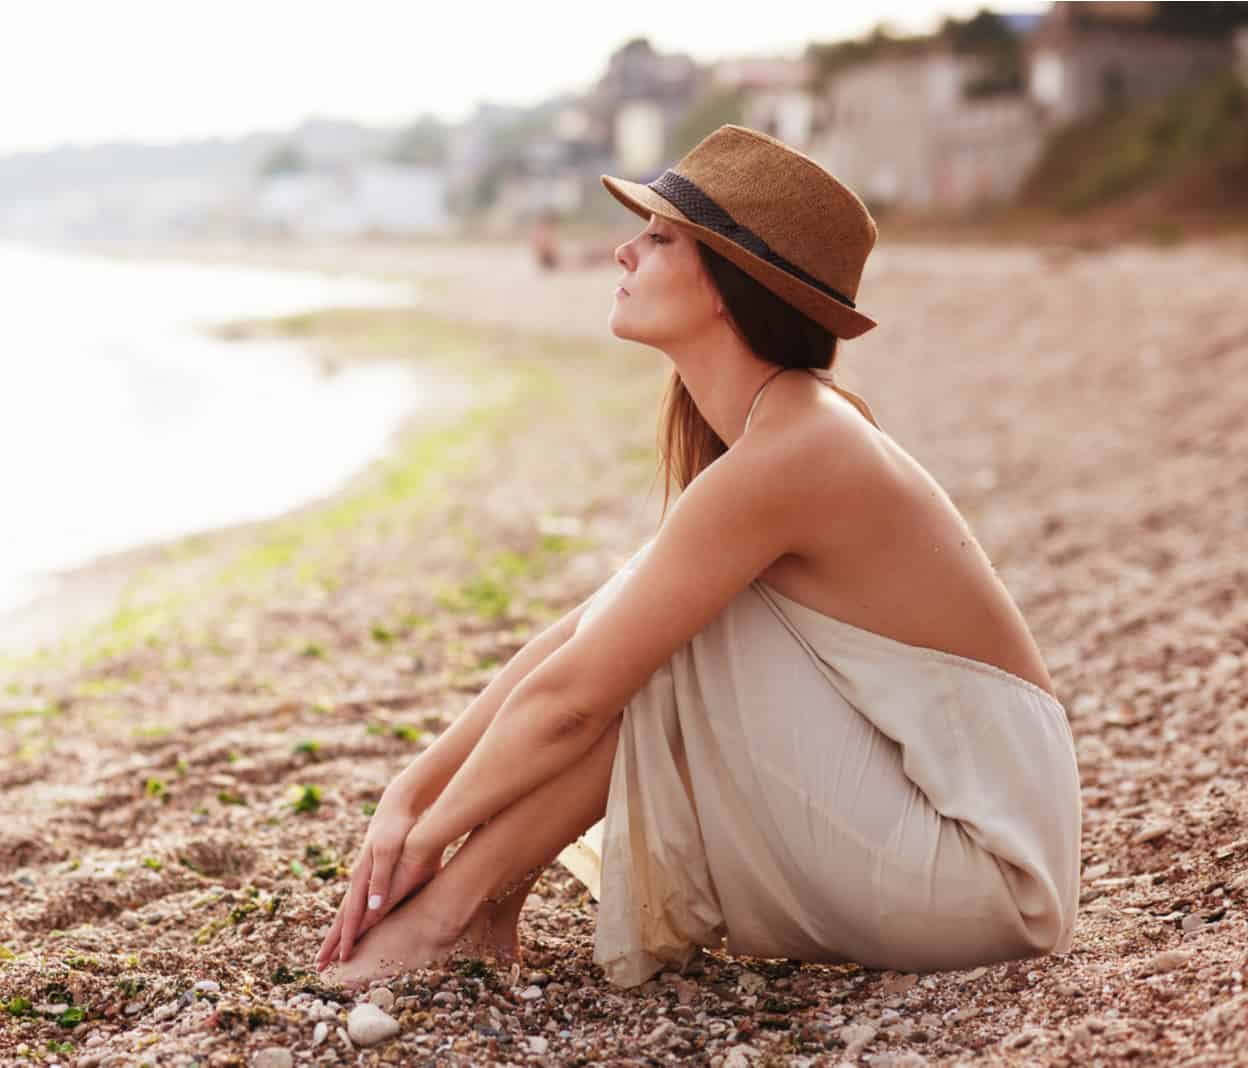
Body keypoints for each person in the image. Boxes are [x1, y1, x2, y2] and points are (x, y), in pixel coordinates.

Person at [313, 125, 1081, 989]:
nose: (622, 250)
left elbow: (573, 700)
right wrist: (410, 793)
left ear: (729, 285)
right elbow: (578, 637)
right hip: (945, 825)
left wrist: (416, 856)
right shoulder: (784, 430)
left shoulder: (798, 449)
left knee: (675, 645)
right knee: (654, 631)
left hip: (988, 873)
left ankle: (452, 914)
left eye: (658, 236)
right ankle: (474, 909)